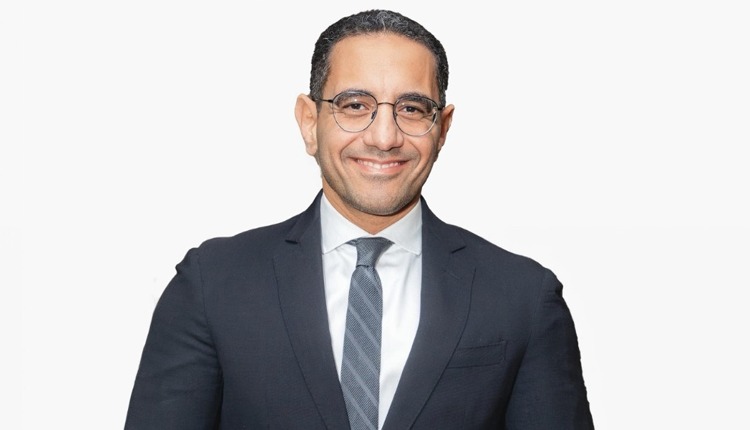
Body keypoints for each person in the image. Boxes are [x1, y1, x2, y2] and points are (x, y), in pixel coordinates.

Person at [125, 9, 594, 430]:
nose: (384, 137)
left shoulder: (522, 296)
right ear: (309, 122)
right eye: (355, 106)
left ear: (443, 128)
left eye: (412, 109)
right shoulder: (212, 284)